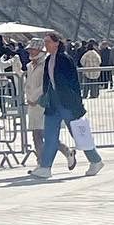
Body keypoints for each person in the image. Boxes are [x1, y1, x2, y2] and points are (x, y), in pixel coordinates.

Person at [29, 32, 103, 178]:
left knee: (78, 133)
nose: (46, 44)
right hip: (53, 104)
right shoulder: (49, 59)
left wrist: (77, 103)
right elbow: (48, 82)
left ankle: (96, 160)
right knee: (50, 135)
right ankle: (45, 167)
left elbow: (73, 83)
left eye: (48, 41)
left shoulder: (65, 59)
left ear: (57, 43)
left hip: (67, 104)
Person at [25, 39, 76, 173]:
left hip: (43, 102)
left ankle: (46, 162)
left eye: (33, 49)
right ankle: (44, 161)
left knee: (43, 134)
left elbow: (45, 84)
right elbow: (29, 83)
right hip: (32, 103)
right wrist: (29, 97)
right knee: (37, 134)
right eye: (30, 49)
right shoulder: (30, 65)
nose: (31, 52)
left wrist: (35, 97)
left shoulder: (46, 63)